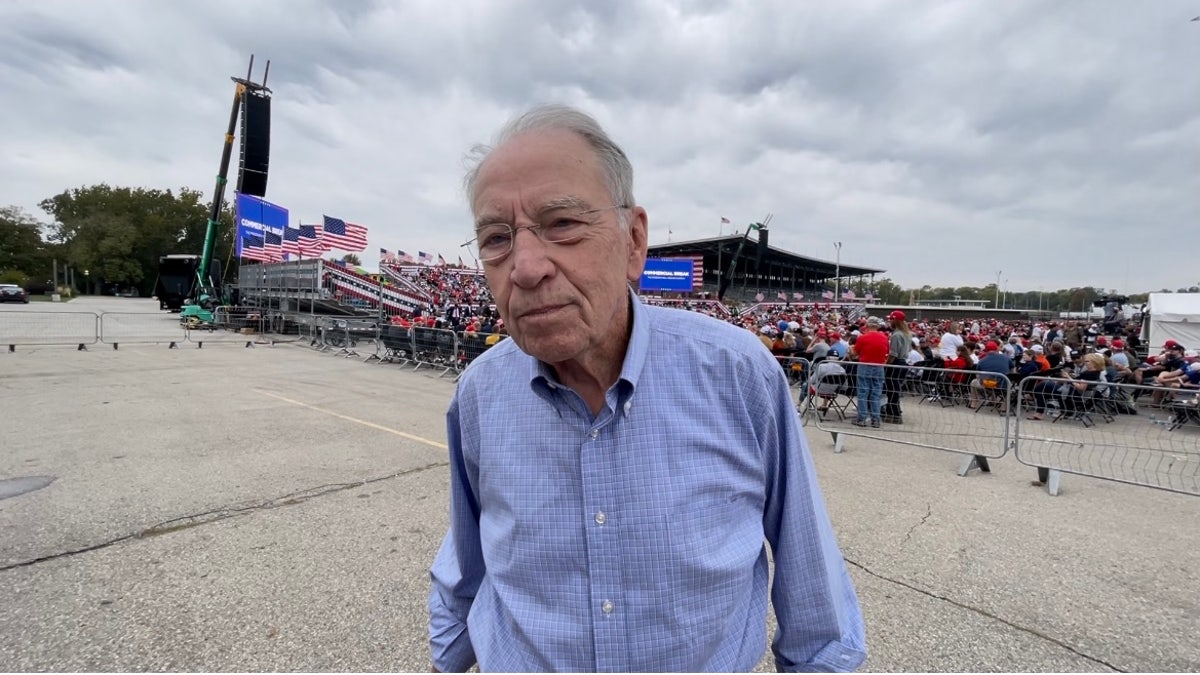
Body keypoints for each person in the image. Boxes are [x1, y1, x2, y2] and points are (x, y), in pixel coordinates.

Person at [428, 104, 866, 673]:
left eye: (562, 225)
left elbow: (814, 598)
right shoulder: (481, 393)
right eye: (496, 238)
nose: (526, 267)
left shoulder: (738, 375)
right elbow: (466, 564)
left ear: (634, 241)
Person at [851, 316, 889, 427]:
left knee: (863, 393)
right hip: (879, 367)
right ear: (878, 326)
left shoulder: (863, 338)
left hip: (865, 366)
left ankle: (862, 418)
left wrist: (852, 349)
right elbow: (886, 351)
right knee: (876, 394)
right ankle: (875, 419)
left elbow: (855, 353)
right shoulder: (884, 338)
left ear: (867, 325)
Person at [882, 310, 911, 424]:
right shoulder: (907, 333)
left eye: (891, 319)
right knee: (895, 390)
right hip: (903, 362)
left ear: (895, 320)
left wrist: (886, 364)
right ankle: (893, 412)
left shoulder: (896, 335)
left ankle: (894, 414)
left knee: (892, 390)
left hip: (896, 363)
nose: (889, 321)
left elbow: (893, 354)